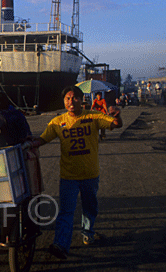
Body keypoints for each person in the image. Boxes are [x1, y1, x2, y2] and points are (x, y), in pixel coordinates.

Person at [28, 85, 122, 260]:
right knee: (66, 212)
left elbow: (114, 124)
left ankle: (88, 232)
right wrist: (28, 143)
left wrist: (117, 117)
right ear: (64, 102)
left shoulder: (93, 116)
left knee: (90, 208)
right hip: (69, 176)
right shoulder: (57, 122)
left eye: (74, 98)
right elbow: (43, 138)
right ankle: (61, 245)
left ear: (82, 100)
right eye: (67, 99)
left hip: (90, 174)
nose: (71, 102)